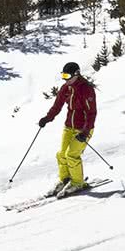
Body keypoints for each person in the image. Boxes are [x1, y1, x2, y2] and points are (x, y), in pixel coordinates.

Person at [37, 62, 97, 196]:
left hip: (83, 129)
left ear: (76, 74)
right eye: (63, 75)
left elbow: (92, 113)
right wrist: (47, 118)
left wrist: (85, 131)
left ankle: (77, 182)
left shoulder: (86, 89)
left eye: (67, 75)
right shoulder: (66, 88)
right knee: (61, 154)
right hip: (69, 127)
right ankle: (65, 180)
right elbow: (57, 106)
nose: (65, 79)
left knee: (72, 155)